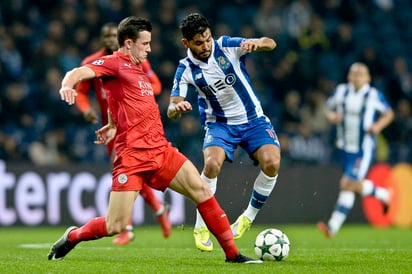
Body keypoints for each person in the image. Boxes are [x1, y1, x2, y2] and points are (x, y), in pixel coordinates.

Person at [48, 16, 261, 264]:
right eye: (145, 43)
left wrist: (113, 124)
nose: (149, 48)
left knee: (202, 191)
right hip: (132, 157)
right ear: (128, 43)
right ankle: (73, 236)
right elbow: (79, 71)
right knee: (115, 225)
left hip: (161, 150)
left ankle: (233, 255)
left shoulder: (138, 69)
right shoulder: (113, 63)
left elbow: (121, 100)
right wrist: (68, 86)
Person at [167, 13, 281, 252]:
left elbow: (271, 42)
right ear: (186, 43)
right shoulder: (185, 68)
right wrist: (177, 108)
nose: (206, 45)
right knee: (211, 165)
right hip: (219, 125)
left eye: (208, 39)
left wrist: (258, 43)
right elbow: (171, 107)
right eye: (199, 42)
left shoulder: (226, 45)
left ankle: (247, 217)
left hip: (254, 120)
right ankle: (201, 226)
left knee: (271, 163)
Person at [74, 22, 170, 246]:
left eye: (112, 35)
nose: (109, 39)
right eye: (105, 35)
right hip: (112, 124)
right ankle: (157, 208)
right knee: (130, 172)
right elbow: (81, 93)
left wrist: (137, 88)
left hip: (132, 124)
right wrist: (86, 110)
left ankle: (126, 227)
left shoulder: (137, 61)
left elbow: (156, 85)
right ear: (101, 39)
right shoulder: (93, 63)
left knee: (121, 170)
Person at [317, 62, 394, 239]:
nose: (357, 77)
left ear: (368, 78)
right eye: (354, 74)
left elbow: (389, 113)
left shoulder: (373, 95)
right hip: (344, 147)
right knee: (350, 187)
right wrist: (331, 116)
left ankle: (333, 226)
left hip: (363, 148)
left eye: (361, 74)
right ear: (349, 77)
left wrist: (377, 126)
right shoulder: (342, 91)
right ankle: (383, 195)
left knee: (347, 183)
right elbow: (327, 107)